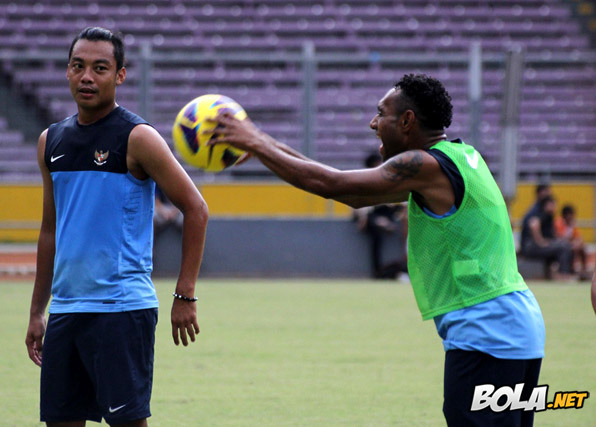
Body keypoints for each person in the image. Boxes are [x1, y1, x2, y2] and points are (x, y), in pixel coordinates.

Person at [210, 74, 545, 426]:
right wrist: (261, 141)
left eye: (380, 113)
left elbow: (336, 186)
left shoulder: (425, 166)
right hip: (516, 326)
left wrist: (259, 145)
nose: (373, 123)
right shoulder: (459, 157)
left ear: (407, 120)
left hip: (488, 333)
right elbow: (335, 177)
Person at [24, 27, 208, 427]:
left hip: (121, 310)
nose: (87, 76)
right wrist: (38, 311)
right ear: (68, 72)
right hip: (67, 310)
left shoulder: (138, 138)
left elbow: (196, 209)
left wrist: (185, 295)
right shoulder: (50, 141)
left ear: (120, 75)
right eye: (78, 66)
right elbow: (49, 232)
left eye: (100, 68)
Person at [353, 152, 408, 279]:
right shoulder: (364, 179)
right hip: (373, 215)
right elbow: (359, 205)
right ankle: (378, 271)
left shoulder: (388, 177)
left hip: (386, 212)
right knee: (375, 231)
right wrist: (367, 217)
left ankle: (401, 267)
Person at [520, 195, 574, 279]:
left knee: (563, 245)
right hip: (531, 246)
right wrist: (540, 241)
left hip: (534, 245)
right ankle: (563, 274)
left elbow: (551, 234)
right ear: (547, 205)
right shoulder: (541, 213)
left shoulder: (549, 216)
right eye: (553, 205)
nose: (555, 207)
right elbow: (534, 225)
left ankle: (554, 274)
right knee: (563, 247)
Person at [554, 204, 589, 279]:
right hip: (561, 245)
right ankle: (570, 269)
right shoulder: (558, 223)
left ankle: (583, 270)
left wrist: (578, 243)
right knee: (573, 248)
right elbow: (560, 237)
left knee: (582, 248)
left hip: (571, 244)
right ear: (566, 215)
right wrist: (572, 242)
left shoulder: (571, 224)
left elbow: (578, 237)